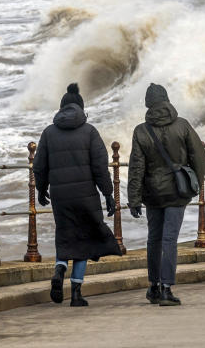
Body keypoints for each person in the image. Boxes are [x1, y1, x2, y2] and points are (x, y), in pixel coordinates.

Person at [33, 83, 120, 307]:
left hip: (61, 195)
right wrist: (109, 194)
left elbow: (39, 166)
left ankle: (59, 270)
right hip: (85, 195)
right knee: (84, 240)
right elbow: (100, 167)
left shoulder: (49, 133)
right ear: (81, 108)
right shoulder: (89, 131)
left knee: (65, 236)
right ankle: (76, 294)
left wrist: (41, 189)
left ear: (61, 109)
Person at [127, 83, 205, 306]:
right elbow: (198, 155)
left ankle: (153, 286)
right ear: (167, 100)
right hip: (177, 191)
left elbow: (136, 168)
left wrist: (134, 198)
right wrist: (197, 183)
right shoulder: (182, 125)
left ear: (147, 104)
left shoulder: (141, 131)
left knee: (154, 239)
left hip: (153, 193)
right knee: (170, 239)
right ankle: (166, 288)